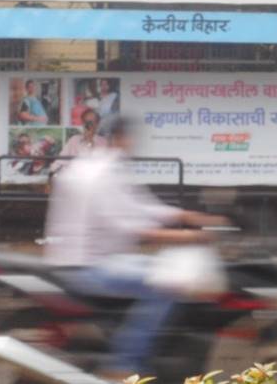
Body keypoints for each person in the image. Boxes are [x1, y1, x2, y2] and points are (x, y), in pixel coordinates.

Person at [44, 115, 226, 380]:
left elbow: (140, 207)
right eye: (131, 138)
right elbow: (127, 225)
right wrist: (187, 236)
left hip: (96, 258)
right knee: (168, 283)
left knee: (163, 268)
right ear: (121, 138)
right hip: (88, 266)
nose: (133, 144)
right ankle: (123, 364)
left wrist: (187, 216)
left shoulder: (104, 167)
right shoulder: (102, 174)